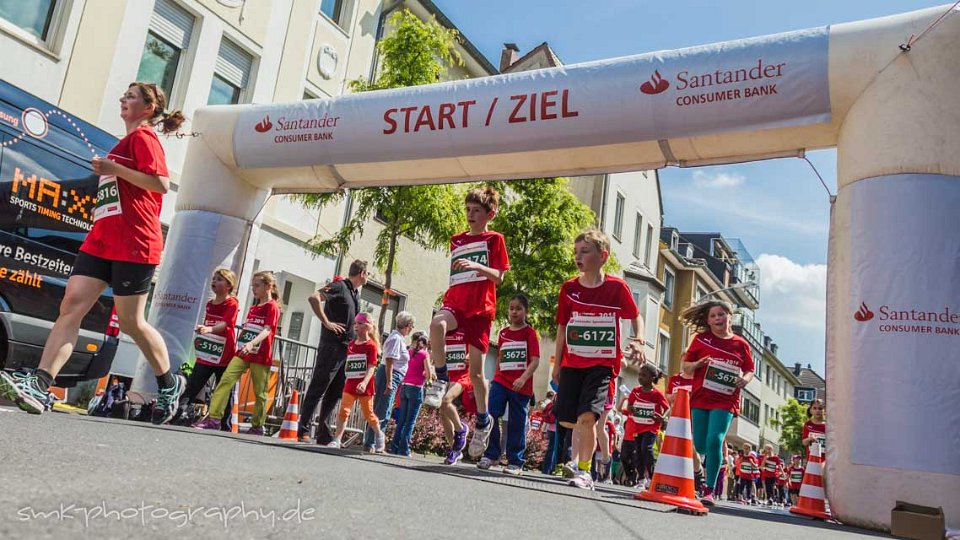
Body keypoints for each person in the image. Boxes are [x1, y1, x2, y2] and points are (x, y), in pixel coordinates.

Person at [0, 83, 186, 422]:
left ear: (148, 108)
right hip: (101, 240)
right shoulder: (122, 144)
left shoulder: (144, 139)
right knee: (71, 307)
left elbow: (159, 183)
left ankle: (169, 382)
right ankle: (41, 383)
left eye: (130, 96)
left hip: (135, 243)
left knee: (132, 323)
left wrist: (114, 170)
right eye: (124, 95)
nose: (122, 99)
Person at [553, 229, 645, 490]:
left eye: (585, 251)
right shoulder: (569, 289)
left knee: (587, 418)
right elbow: (562, 329)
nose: (577, 256)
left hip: (602, 365)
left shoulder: (616, 288)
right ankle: (580, 461)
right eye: (575, 252)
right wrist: (557, 365)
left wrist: (639, 340)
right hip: (572, 363)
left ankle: (585, 472)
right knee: (567, 420)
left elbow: (635, 317)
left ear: (603, 256)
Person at [427, 186, 510, 459]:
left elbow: (499, 277)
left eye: (477, 211)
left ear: (490, 214)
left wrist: (477, 267)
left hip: (480, 311)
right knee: (437, 325)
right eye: (468, 210)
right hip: (456, 304)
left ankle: (484, 422)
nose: (471, 215)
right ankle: (441, 379)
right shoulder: (456, 240)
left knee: (476, 374)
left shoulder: (494, 239)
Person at [681, 299, 755, 505]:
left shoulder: (741, 344)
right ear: (708, 321)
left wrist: (745, 380)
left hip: (726, 399)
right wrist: (699, 363)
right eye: (713, 316)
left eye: (721, 314)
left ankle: (709, 489)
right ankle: (704, 466)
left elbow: (750, 369)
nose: (718, 319)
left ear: (730, 316)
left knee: (715, 439)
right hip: (701, 397)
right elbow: (686, 368)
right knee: (701, 444)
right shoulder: (701, 339)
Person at [193, 271, 281, 434]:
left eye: (257, 285)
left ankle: (257, 425)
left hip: (260, 355)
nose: (253, 289)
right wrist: (243, 345)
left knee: (260, 392)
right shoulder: (253, 308)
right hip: (242, 353)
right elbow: (248, 329)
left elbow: (268, 330)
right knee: (225, 380)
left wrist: (252, 343)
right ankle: (214, 418)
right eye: (252, 285)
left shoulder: (272, 307)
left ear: (268, 286)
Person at [298, 260, 368, 444]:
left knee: (335, 391)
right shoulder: (339, 286)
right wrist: (326, 322)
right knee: (319, 386)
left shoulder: (354, 293)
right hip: (332, 346)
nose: (368, 277)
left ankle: (323, 432)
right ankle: (303, 429)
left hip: (346, 349)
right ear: (362, 273)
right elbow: (314, 297)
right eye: (367, 273)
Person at [477, 294, 540, 475]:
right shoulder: (503, 332)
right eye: (511, 308)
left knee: (516, 422)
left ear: (526, 311)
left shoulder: (530, 333)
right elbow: (500, 357)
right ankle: (491, 455)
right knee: (491, 415)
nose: (514, 312)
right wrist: (494, 377)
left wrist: (523, 378)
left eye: (518, 308)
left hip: (521, 386)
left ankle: (515, 461)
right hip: (500, 381)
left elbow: (535, 360)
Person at [173, 268, 239, 428]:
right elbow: (209, 323)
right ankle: (176, 415)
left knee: (224, 389)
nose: (214, 282)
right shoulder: (210, 304)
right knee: (193, 385)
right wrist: (202, 331)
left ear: (229, 285)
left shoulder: (232, 303)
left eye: (219, 279)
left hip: (224, 355)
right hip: (207, 354)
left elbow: (226, 324)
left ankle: (225, 424)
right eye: (214, 279)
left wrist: (209, 329)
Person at [328, 313, 383, 449]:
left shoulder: (371, 346)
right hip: (351, 383)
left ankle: (379, 435)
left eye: (360, 323)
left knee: (369, 415)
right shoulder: (351, 344)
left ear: (368, 326)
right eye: (355, 324)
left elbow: (371, 367)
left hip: (365, 385)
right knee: (344, 410)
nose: (356, 327)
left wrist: (364, 382)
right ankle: (337, 439)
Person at [363, 311, 415, 452]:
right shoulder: (396, 339)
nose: (412, 329)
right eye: (412, 326)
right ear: (408, 325)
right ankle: (373, 443)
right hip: (390, 375)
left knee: (381, 409)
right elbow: (390, 360)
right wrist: (390, 381)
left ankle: (371, 442)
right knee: (382, 410)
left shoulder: (397, 338)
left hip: (391, 375)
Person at [619, 363, 668, 488]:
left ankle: (652, 477)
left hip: (651, 427)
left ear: (652, 378)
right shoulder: (635, 391)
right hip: (637, 426)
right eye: (639, 375)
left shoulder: (657, 394)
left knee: (646, 448)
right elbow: (629, 407)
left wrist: (663, 417)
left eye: (644, 375)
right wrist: (631, 409)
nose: (640, 377)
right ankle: (641, 479)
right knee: (639, 452)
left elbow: (667, 408)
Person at [389, 331, 430, 456]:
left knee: (401, 419)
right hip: (416, 388)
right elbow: (428, 374)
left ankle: (394, 447)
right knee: (410, 421)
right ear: (425, 344)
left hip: (404, 386)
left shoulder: (408, 352)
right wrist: (425, 375)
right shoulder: (424, 354)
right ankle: (404, 449)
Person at [438, 330, 475, 465]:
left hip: (464, 374)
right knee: (443, 411)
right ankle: (454, 449)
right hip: (449, 372)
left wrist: (470, 356)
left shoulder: (468, 328)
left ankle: (461, 429)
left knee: (446, 400)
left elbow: (479, 348)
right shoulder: (445, 330)